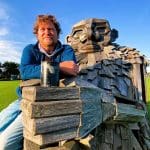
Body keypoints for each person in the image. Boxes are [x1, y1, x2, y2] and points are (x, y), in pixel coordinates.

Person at [0, 14, 78, 150]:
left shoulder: (66, 50)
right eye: (42, 29)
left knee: (4, 144)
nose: (47, 32)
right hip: (23, 99)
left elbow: (71, 69)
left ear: (57, 33)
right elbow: (25, 71)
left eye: (51, 29)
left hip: (45, 104)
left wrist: (39, 70)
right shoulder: (29, 49)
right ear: (37, 34)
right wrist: (59, 67)